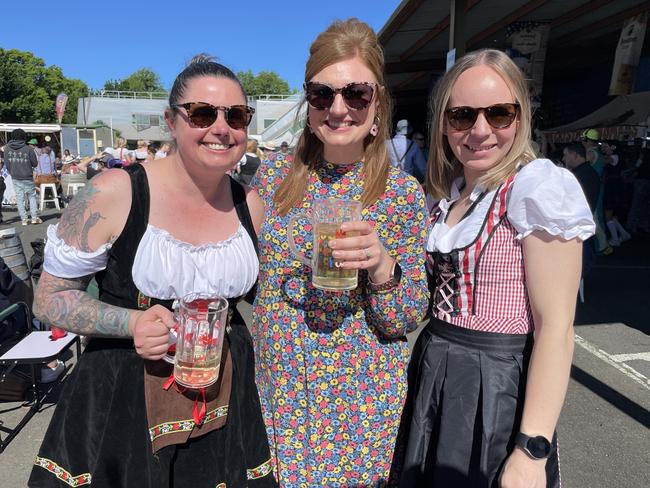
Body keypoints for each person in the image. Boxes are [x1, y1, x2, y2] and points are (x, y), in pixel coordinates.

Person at [28, 54, 276, 487]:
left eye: (236, 115)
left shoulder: (249, 204)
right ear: (171, 120)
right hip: (123, 398)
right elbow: (49, 298)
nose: (222, 128)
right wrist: (133, 321)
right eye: (202, 113)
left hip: (224, 394)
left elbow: (267, 299)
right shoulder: (114, 191)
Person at [389, 49, 595, 487]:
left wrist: (531, 450)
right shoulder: (451, 195)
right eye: (462, 116)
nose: (480, 130)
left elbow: (556, 328)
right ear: (445, 124)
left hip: (494, 387)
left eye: (499, 113)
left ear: (520, 118)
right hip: (434, 375)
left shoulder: (536, 185)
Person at [251, 18, 429, 486]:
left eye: (356, 94)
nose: (338, 108)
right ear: (308, 101)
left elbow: (404, 319)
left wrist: (383, 265)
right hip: (280, 392)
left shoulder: (401, 193)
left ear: (378, 103)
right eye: (321, 94)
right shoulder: (271, 180)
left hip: (359, 403)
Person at [563, 142, 600, 278]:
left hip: (576, 228)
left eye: (565, 155)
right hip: (580, 226)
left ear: (574, 155)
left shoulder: (579, 176)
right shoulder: (587, 173)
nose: (563, 159)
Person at [4, 129, 41, 225]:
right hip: (27, 176)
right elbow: (35, 163)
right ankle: (34, 218)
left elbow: (7, 164)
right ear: (23, 137)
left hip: (15, 176)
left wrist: (12, 171)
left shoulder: (7, 149)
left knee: (20, 198)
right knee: (31, 197)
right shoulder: (28, 149)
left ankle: (24, 219)